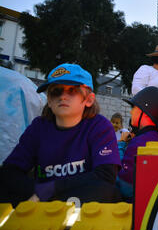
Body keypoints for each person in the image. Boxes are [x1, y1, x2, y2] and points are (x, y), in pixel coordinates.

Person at [0, 63, 122, 206]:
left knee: (106, 191)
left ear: (88, 100)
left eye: (72, 90)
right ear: (49, 100)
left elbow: (106, 175)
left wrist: (52, 188)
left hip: (81, 201)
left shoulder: (100, 126)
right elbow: (10, 172)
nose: (63, 96)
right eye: (56, 91)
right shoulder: (38, 127)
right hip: (41, 200)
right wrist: (37, 191)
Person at [116, 86, 158, 201]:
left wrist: (120, 145)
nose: (131, 111)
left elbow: (124, 187)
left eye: (134, 107)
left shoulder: (138, 144)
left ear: (144, 112)